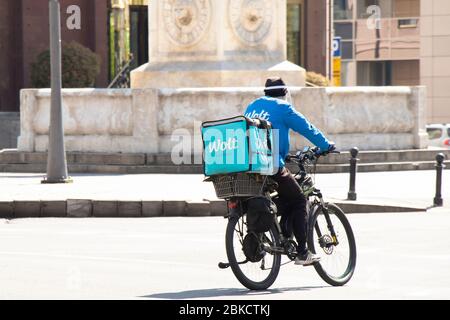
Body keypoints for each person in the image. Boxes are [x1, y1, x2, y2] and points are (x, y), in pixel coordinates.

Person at [244, 77, 335, 266]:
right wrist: (326, 145)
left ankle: (280, 232)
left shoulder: (252, 106)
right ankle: (303, 252)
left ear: (266, 92)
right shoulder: (283, 107)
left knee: (286, 196)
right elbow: (307, 128)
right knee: (300, 199)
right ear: (285, 92)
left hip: (248, 165)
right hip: (270, 164)